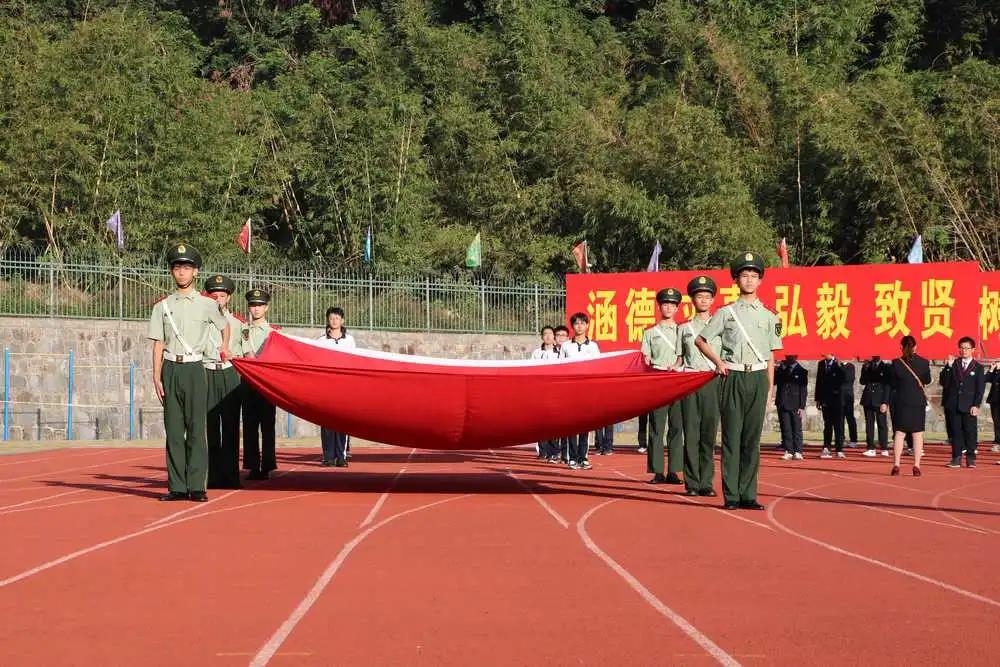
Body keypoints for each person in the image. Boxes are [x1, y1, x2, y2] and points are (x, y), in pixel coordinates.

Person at [696, 252, 782, 510]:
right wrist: (719, 362)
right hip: (732, 377)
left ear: (760, 281)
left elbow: (771, 356)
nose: (749, 280)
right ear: (736, 279)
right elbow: (701, 340)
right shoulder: (726, 313)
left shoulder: (770, 316)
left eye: (754, 276)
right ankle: (732, 495)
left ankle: (748, 494)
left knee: (752, 440)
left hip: (758, 378)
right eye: (744, 275)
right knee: (731, 437)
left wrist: (769, 389)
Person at [147, 243, 229, 502]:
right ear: (171, 272)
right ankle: (177, 487)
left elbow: (224, 326)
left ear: (195, 272)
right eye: (176, 268)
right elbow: (158, 343)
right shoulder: (162, 306)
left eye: (186, 267)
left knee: (196, 429)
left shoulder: (207, 304)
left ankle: (197, 486)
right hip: (171, 367)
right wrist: (156, 375)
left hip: (195, 368)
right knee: (173, 430)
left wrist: (224, 346)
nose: (181, 272)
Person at [679, 276, 721, 495]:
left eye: (707, 296)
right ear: (692, 300)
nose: (703, 300)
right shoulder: (684, 328)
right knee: (691, 433)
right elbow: (679, 359)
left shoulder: (721, 326)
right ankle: (692, 482)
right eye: (699, 296)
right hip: (690, 383)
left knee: (708, 434)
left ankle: (706, 482)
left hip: (712, 381)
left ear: (712, 300)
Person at [203, 274, 244, 489]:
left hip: (229, 373)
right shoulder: (201, 321)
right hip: (207, 372)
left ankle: (231, 476)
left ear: (228, 298)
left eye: (222, 295)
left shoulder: (237, 324)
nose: (218, 299)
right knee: (210, 427)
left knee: (230, 426)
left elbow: (245, 353)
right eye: (214, 296)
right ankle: (211, 476)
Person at [640, 287, 683, 484]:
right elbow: (645, 359)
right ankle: (657, 470)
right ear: (659, 307)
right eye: (665, 304)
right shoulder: (650, 332)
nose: (668, 308)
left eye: (672, 305)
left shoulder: (683, 331)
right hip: (658, 380)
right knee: (656, 427)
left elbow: (686, 355)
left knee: (677, 427)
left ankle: (674, 470)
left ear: (677, 308)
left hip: (678, 380)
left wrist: (677, 367)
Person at [241, 288, 278, 480]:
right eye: (253, 305)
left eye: (260, 305)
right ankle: (253, 465)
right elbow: (243, 352)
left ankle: (268, 464)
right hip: (248, 383)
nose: (256, 309)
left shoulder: (273, 333)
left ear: (266, 307)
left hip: (266, 385)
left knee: (268, 426)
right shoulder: (243, 329)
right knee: (250, 425)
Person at [883, 335, 932, 476]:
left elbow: (891, 384)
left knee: (899, 433)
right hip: (917, 401)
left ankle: (896, 464)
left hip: (901, 402)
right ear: (916, 347)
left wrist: (886, 401)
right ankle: (916, 465)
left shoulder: (896, 364)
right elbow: (927, 380)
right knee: (917, 434)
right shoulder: (924, 363)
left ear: (901, 347)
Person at [317, 306, 356, 468]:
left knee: (342, 421)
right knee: (326, 422)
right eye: (332, 318)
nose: (334, 321)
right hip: (326, 386)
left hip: (343, 386)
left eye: (337, 318)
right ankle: (328, 456)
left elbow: (354, 361)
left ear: (342, 321)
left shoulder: (349, 340)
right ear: (328, 320)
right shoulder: (320, 341)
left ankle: (341, 456)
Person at [560, 313, 599, 469]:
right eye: (576, 323)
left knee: (585, 424)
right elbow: (560, 366)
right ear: (572, 326)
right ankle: (572, 457)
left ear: (587, 325)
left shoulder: (593, 346)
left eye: (583, 323)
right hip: (570, 389)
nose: (580, 326)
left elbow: (598, 366)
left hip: (587, 389)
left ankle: (583, 457)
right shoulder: (566, 346)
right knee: (572, 424)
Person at [939, 336, 986, 469]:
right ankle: (956, 458)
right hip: (953, 404)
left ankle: (971, 459)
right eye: (962, 348)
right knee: (955, 432)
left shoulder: (978, 367)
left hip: (969, 405)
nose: (964, 351)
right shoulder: (953, 364)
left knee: (970, 432)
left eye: (967, 348)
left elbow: (980, 389)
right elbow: (944, 382)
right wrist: (948, 367)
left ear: (973, 350)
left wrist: (976, 405)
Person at [532, 326, 562, 462]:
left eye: (550, 333)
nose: (548, 336)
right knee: (540, 422)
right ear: (542, 337)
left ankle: (554, 451)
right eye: (545, 334)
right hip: (540, 391)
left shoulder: (559, 352)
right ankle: (542, 451)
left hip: (554, 390)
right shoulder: (537, 353)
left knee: (553, 423)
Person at [774, 354, 807, 461]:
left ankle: (798, 451)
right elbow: (774, 382)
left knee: (796, 428)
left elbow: (803, 390)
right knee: (786, 428)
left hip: (795, 404)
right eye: (787, 356)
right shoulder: (782, 370)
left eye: (791, 356)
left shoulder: (802, 371)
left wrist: (802, 406)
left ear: (795, 357)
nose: (788, 358)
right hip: (783, 402)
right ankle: (788, 450)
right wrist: (777, 369)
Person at [815, 353, 846, 459]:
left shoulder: (839, 363)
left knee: (838, 425)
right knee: (827, 424)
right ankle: (826, 447)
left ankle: (839, 449)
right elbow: (818, 381)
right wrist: (818, 399)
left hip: (837, 399)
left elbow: (844, 379)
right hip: (825, 399)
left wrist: (840, 366)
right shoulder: (821, 364)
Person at [859, 355, 891, 457]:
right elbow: (862, 381)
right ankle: (870, 447)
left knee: (882, 424)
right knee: (869, 424)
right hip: (868, 398)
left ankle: (884, 448)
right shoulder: (867, 366)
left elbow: (887, 385)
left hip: (880, 399)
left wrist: (885, 402)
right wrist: (865, 368)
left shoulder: (886, 367)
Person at [553, 325, 572, 462]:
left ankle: (566, 454)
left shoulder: (569, 350)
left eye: (563, 335)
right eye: (558, 335)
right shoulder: (549, 353)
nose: (560, 338)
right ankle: (554, 452)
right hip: (553, 392)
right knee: (554, 425)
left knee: (566, 425)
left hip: (566, 391)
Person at [840, 359, 858, 446]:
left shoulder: (850, 366)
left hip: (848, 396)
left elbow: (848, 379)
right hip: (838, 396)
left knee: (850, 418)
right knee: (840, 419)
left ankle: (853, 439)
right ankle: (841, 438)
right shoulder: (838, 366)